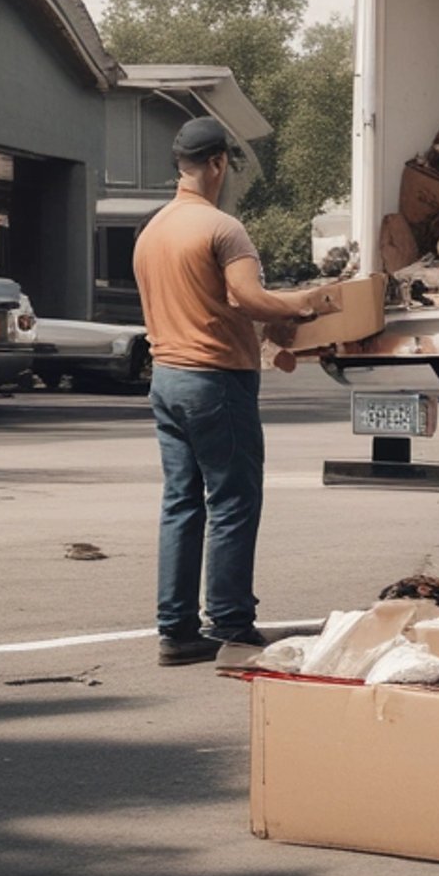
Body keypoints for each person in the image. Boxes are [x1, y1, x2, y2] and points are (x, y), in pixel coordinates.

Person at [132, 117, 322, 666]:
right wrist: (310, 301)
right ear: (218, 164)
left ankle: (176, 632)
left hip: (166, 377)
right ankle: (233, 624)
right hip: (216, 379)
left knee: (181, 504)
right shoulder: (222, 228)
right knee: (235, 502)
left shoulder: (153, 231)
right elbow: (249, 299)